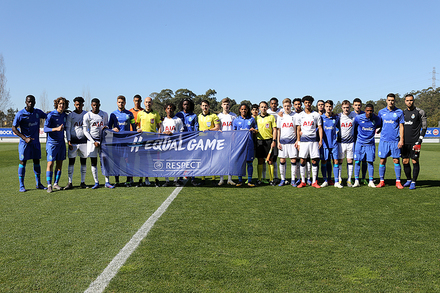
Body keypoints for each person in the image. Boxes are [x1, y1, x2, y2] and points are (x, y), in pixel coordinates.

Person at [12, 95, 47, 192]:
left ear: (35, 102)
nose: (30, 103)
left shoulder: (37, 112)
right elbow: (14, 127)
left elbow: (47, 116)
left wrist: (59, 111)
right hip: (25, 143)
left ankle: (38, 184)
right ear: (25, 102)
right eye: (29, 101)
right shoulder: (20, 114)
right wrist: (24, 138)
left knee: (37, 162)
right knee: (23, 162)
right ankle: (21, 185)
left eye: (32, 101)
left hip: (35, 143)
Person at [83, 98, 114, 189]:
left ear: (99, 105)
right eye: (93, 105)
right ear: (91, 105)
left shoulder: (104, 114)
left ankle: (107, 182)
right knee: (93, 162)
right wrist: (93, 142)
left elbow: (107, 126)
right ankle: (96, 182)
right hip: (92, 142)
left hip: (103, 141)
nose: (95, 107)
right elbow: (85, 131)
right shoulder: (87, 115)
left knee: (105, 161)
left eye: (97, 105)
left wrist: (106, 127)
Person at [376, 93, 405, 189]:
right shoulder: (381, 112)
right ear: (386, 100)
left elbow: (401, 126)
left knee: (396, 160)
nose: (391, 102)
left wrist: (401, 139)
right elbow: (378, 124)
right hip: (384, 140)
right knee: (382, 160)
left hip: (395, 141)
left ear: (395, 101)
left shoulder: (399, 112)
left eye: (392, 100)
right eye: (389, 100)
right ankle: (381, 181)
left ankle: (398, 181)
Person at [108, 95, 137, 187]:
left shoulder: (129, 114)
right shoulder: (113, 114)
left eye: (122, 102)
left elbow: (134, 126)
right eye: (119, 102)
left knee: (127, 160)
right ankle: (117, 181)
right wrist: (113, 130)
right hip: (116, 141)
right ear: (117, 103)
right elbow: (109, 128)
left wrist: (136, 133)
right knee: (117, 161)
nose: (121, 104)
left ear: (125, 103)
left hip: (127, 141)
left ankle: (128, 180)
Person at [295, 95, 322, 188]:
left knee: (314, 161)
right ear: (304, 104)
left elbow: (320, 128)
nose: (307, 104)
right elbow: (298, 129)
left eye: (309, 103)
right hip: (303, 142)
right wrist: (298, 141)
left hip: (314, 141)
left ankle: (314, 182)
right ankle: (303, 181)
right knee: (302, 160)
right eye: (306, 103)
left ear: (311, 103)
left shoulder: (316, 115)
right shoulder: (300, 115)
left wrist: (320, 140)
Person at [352, 104, 382, 188]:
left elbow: (381, 124)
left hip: (370, 144)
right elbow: (354, 127)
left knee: (370, 162)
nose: (369, 112)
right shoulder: (358, 118)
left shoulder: (376, 119)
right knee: (357, 161)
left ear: (373, 111)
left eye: (371, 111)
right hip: (360, 143)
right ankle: (356, 181)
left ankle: (371, 181)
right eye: (368, 110)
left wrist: (379, 130)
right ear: (365, 110)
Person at [402, 94, 427, 190]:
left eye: (411, 100)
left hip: (415, 142)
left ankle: (414, 181)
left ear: (413, 101)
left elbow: (424, 127)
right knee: (405, 161)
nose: (409, 102)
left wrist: (420, 140)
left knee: (414, 160)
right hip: (404, 142)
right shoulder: (402, 113)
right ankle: (408, 179)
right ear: (405, 101)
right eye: (407, 100)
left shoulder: (420, 112)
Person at [136, 96, 162, 187]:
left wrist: (158, 136)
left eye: (150, 102)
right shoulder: (140, 113)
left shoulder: (155, 114)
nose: (148, 104)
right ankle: (141, 180)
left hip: (153, 141)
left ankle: (156, 180)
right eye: (146, 102)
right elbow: (136, 125)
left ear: (152, 103)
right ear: (144, 103)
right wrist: (138, 128)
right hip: (143, 140)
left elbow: (159, 127)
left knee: (154, 161)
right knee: (143, 161)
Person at [44, 97, 69, 193]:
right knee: (50, 163)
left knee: (60, 164)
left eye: (63, 104)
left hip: (61, 143)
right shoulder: (51, 115)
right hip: (52, 143)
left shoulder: (65, 116)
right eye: (60, 103)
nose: (61, 105)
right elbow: (45, 129)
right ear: (57, 104)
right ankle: (49, 184)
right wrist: (56, 129)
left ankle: (55, 183)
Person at [64, 96, 88, 190]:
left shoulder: (86, 114)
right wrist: (69, 141)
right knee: (71, 162)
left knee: (83, 162)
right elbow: (68, 129)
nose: (78, 106)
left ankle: (83, 182)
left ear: (83, 105)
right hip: (73, 142)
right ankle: (70, 183)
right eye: (77, 104)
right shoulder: (71, 115)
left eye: (80, 104)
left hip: (84, 142)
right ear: (74, 104)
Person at [232, 103, 258, 187]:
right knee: (240, 162)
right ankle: (240, 181)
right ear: (239, 110)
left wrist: (254, 130)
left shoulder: (251, 119)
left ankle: (249, 181)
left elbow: (256, 130)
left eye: (245, 109)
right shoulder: (236, 120)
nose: (244, 111)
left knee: (249, 162)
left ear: (247, 110)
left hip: (249, 143)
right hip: (239, 145)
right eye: (242, 109)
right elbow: (233, 132)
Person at [176, 98, 199, 186]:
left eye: (187, 104)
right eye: (184, 104)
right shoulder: (178, 115)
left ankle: (193, 178)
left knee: (192, 159)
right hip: (181, 141)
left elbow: (196, 129)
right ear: (182, 105)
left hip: (190, 141)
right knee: (181, 160)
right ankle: (180, 178)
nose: (186, 106)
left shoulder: (194, 116)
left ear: (190, 105)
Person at [320, 100, 343, 188]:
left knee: (336, 161)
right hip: (325, 144)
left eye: (330, 106)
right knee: (324, 161)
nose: (329, 108)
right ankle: (325, 180)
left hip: (334, 144)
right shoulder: (321, 118)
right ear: (324, 107)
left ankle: (336, 181)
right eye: (327, 106)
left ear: (332, 107)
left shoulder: (336, 118)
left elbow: (339, 128)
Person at [160, 102, 184, 187]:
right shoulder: (163, 121)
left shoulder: (178, 120)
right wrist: (165, 132)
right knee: (165, 163)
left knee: (175, 163)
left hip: (175, 144)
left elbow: (181, 132)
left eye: (171, 108)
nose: (169, 110)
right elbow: (160, 132)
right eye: (168, 108)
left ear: (173, 110)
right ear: (165, 110)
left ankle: (175, 180)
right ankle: (167, 181)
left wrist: (174, 135)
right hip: (165, 145)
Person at [276, 98, 298, 187]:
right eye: (285, 106)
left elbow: (297, 129)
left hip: (292, 142)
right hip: (282, 142)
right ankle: (282, 179)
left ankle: (293, 180)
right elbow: (278, 130)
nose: (287, 107)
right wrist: (278, 142)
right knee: (282, 160)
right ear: (283, 107)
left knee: (293, 160)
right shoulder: (280, 116)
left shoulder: (295, 115)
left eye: (288, 106)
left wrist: (297, 140)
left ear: (291, 106)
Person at [198, 99, 220, 185]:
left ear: (209, 106)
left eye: (206, 105)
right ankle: (203, 179)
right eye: (203, 105)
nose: (204, 107)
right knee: (203, 159)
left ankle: (213, 179)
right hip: (201, 140)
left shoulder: (214, 116)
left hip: (211, 140)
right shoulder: (198, 116)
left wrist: (209, 130)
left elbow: (217, 127)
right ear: (201, 107)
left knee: (212, 159)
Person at [256, 101, 277, 185]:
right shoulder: (256, 118)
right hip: (259, 141)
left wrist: (274, 140)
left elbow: (275, 129)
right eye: (262, 107)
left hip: (269, 140)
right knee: (260, 160)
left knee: (270, 161)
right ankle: (259, 179)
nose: (263, 108)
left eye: (265, 107)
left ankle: (271, 180)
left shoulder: (271, 117)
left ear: (267, 108)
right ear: (259, 108)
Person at [217, 98, 237, 186]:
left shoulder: (233, 116)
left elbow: (236, 128)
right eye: (224, 104)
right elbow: (217, 128)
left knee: (230, 160)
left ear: (230, 105)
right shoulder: (218, 116)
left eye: (228, 104)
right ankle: (221, 179)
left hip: (231, 141)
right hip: (222, 141)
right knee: (221, 160)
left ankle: (230, 179)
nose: (226, 106)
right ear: (222, 105)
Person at [337, 100, 356, 187]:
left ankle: (349, 180)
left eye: (347, 107)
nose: (346, 109)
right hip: (341, 143)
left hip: (351, 142)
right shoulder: (339, 116)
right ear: (342, 108)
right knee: (340, 160)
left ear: (350, 107)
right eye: (344, 108)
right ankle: (340, 179)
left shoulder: (354, 116)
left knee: (350, 160)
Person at [351, 98, 368, 185]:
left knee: (364, 160)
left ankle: (363, 178)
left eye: (359, 105)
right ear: (353, 106)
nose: (357, 107)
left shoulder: (365, 114)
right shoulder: (350, 114)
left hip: (364, 141)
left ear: (361, 106)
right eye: (356, 105)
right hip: (353, 141)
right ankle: (354, 178)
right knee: (356, 160)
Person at [129, 94, 144, 187]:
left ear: (141, 101)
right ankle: (131, 178)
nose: (137, 102)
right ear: (133, 101)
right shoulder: (130, 112)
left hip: (142, 139)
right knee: (131, 160)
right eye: (135, 100)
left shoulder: (143, 112)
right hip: (131, 139)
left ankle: (143, 178)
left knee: (143, 159)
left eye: (138, 101)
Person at [266, 97, 280, 183]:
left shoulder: (281, 112)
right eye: (272, 103)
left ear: (277, 104)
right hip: (269, 138)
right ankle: (268, 177)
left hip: (280, 137)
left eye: (275, 103)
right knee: (269, 159)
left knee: (278, 158)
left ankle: (277, 177)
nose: (274, 105)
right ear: (270, 104)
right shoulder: (267, 112)